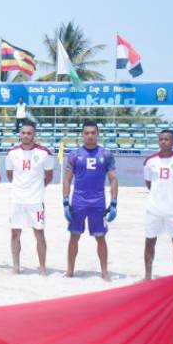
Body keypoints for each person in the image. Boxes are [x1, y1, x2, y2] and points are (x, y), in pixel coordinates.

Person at [63, 120, 118, 281]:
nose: (90, 136)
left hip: (98, 202)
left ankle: (105, 272)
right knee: (74, 236)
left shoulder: (106, 154)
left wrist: (114, 203)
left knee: (100, 237)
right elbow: (67, 179)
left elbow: (113, 179)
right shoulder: (74, 155)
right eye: (87, 133)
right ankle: (70, 271)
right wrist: (65, 202)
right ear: (82, 134)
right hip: (78, 201)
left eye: (93, 133)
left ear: (97, 134)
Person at [143, 130, 173, 280]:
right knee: (150, 241)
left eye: (167, 139)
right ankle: (148, 276)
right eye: (161, 139)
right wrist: (158, 197)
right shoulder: (150, 161)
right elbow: (148, 183)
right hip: (154, 210)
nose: (163, 142)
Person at [5, 121, 53, 275]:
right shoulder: (12, 153)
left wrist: (36, 188)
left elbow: (49, 176)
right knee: (15, 233)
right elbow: (10, 175)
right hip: (17, 199)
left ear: (34, 134)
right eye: (23, 133)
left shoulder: (44, 153)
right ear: (20, 134)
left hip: (36, 200)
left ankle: (43, 267)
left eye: (29, 133)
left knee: (39, 233)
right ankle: (16, 266)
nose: (26, 136)